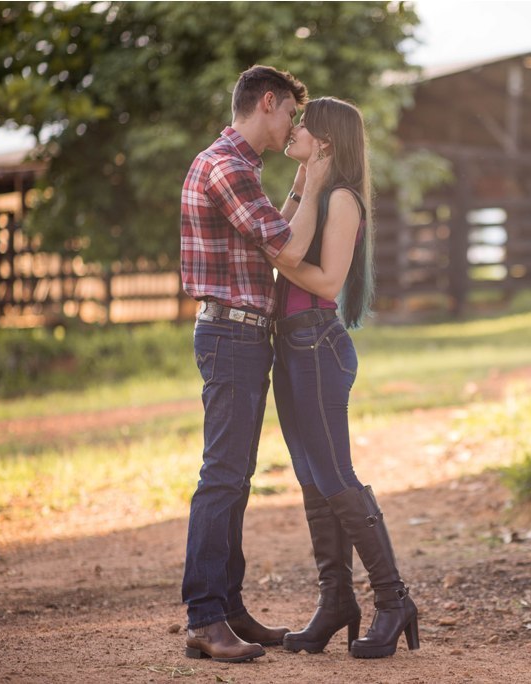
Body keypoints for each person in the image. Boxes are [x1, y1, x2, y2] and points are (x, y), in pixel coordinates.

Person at [179, 64, 332, 663]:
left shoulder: (237, 166)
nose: (294, 123)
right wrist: (316, 183)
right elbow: (289, 248)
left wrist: (298, 179)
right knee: (222, 477)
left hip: (239, 335)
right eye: (291, 113)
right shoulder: (227, 169)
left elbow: (273, 233)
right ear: (267, 103)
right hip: (231, 336)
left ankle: (227, 609)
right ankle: (204, 618)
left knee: (234, 478)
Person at [265, 96, 420, 660]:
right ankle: (336, 603)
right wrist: (305, 180)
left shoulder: (344, 200)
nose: (294, 127)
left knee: (335, 476)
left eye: (305, 124)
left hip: (317, 343)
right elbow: (280, 235)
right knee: (311, 480)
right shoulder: (315, 191)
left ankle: (393, 598)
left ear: (327, 139)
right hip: (290, 344)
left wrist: (278, 260)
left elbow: (327, 282)